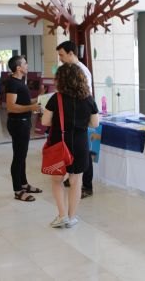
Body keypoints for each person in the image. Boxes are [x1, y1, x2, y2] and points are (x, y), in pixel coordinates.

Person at [42, 63, 99, 228]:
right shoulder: (88, 99)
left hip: (59, 144)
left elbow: (45, 121)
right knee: (76, 181)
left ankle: (62, 216)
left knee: (57, 180)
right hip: (80, 144)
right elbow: (94, 123)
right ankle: (72, 217)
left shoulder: (56, 98)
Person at [56, 40, 95, 198]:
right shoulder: (69, 70)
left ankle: (86, 185)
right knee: (72, 150)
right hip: (71, 117)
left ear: (71, 53)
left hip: (80, 117)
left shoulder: (81, 71)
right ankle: (73, 176)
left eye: (62, 55)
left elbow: (85, 96)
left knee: (84, 153)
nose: (60, 58)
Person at [6, 55, 43, 202]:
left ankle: (24, 184)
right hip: (18, 124)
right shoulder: (12, 83)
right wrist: (31, 107)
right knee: (19, 157)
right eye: (25, 63)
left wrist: (39, 98)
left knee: (22, 156)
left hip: (24, 122)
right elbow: (11, 106)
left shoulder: (20, 82)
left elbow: (26, 102)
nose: (27, 65)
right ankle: (18, 191)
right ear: (18, 68)